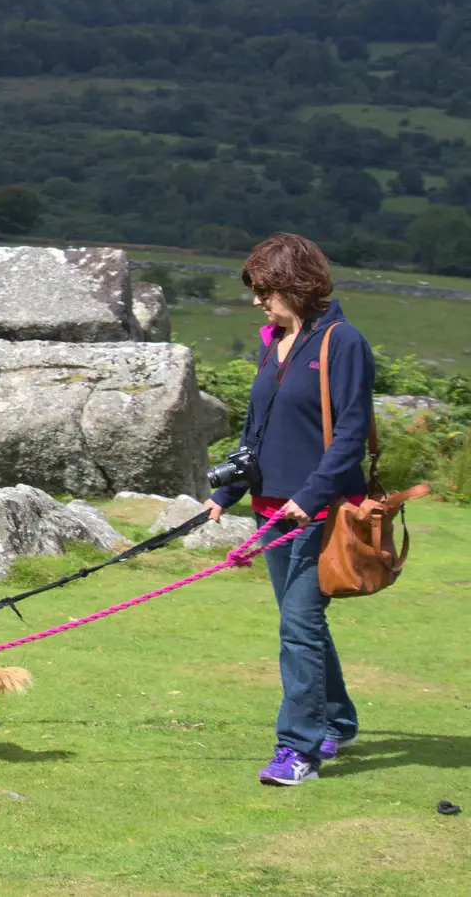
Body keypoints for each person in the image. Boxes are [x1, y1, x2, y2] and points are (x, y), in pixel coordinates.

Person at [204, 233, 374, 786]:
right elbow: (258, 432)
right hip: (270, 510)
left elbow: (349, 434)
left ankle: (298, 749)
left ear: (297, 284)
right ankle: (339, 721)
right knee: (302, 623)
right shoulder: (273, 341)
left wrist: (311, 496)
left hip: (318, 513)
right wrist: (225, 492)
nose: (258, 301)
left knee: (299, 626)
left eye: (266, 290)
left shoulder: (343, 343)